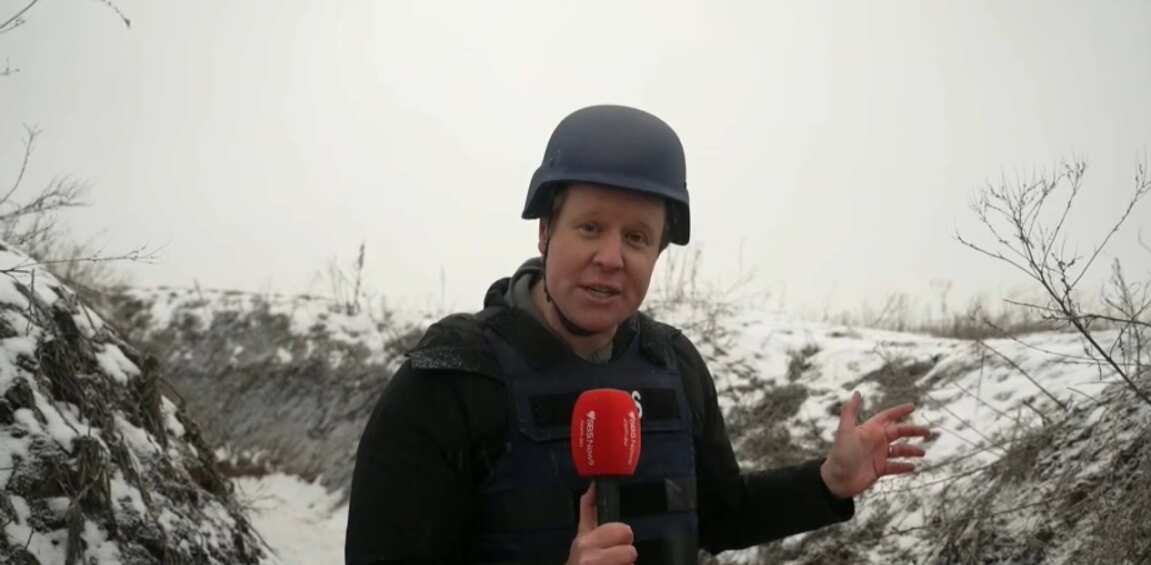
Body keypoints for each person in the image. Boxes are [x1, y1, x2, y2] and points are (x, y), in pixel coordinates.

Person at [344, 105, 931, 565]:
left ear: (657, 253)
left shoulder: (672, 363)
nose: (610, 258)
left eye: (637, 237)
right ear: (546, 232)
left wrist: (826, 482)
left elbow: (721, 515)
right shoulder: (453, 378)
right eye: (590, 227)